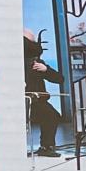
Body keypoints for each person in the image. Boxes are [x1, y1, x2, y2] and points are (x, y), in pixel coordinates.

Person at [24, 29, 65, 158]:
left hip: (37, 100)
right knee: (50, 115)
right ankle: (45, 147)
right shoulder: (24, 62)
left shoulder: (36, 63)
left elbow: (60, 79)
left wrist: (46, 70)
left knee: (51, 115)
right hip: (25, 101)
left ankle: (46, 147)